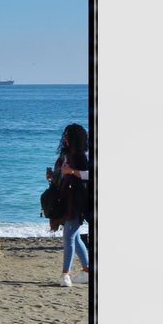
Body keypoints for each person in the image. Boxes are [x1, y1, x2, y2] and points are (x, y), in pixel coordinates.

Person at [48, 123, 92, 287]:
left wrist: (71, 172)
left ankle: (65, 274)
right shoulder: (65, 153)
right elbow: (62, 174)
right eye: (65, 136)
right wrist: (53, 175)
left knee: (68, 236)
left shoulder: (85, 154)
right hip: (65, 198)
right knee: (75, 236)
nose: (65, 139)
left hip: (79, 200)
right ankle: (87, 271)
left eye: (69, 137)